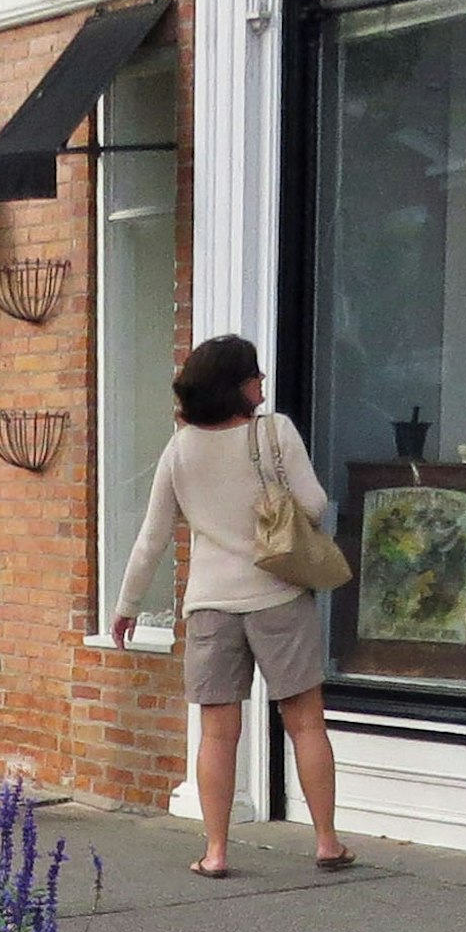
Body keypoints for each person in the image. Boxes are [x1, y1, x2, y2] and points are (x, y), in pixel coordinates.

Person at [109, 335, 349, 878]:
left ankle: (216, 851)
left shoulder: (180, 450)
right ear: (237, 385)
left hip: (209, 606)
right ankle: (327, 842)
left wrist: (126, 605)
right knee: (306, 724)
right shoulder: (275, 431)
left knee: (217, 733)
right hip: (278, 595)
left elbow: (152, 538)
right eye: (255, 376)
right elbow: (313, 505)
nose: (262, 385)